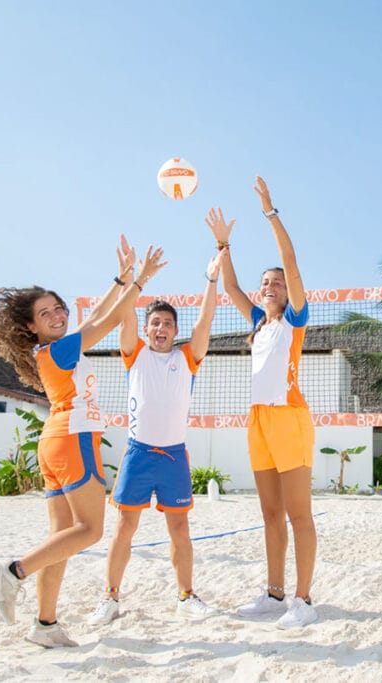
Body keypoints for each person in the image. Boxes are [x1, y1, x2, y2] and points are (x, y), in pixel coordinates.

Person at [0, 236, 166, 648]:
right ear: (31, 325)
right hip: (73, 439)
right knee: (91, 530)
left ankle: (45, 624)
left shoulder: (54, 347)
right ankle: (13, 572)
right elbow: (108, 321)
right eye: (45, 313)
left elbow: (96, 314)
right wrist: (140, 282)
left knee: (60, 538)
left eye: (59, 307)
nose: (57, 314)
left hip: (55, 440)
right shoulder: (58, 350)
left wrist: (121, 278)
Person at [87, 240, 224, 626]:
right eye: (155, 323)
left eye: (167, 323)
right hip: (138, 454)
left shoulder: (187, 357)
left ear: (175, 330)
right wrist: (136, 277)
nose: (161, 328)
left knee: (179, 529)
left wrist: (211, 279)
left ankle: (186, 595)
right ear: (147, 330)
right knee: (124, 527)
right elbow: (125, 313)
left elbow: (207, 320)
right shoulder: (135, 353)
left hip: (174, 456)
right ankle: (110, 597)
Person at [205, 178, 319, 629]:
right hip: (259, 421)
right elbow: (230, 285)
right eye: (265, 282)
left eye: (276, 283)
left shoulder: (295, 319)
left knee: (298, 515)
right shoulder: (257, 322)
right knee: (269, 513)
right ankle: (274, 593)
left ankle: (304, 601)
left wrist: (271, 212)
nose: (270, 285)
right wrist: (222, 243)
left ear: (288, 293)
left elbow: (290, 262)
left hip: (289, 418)